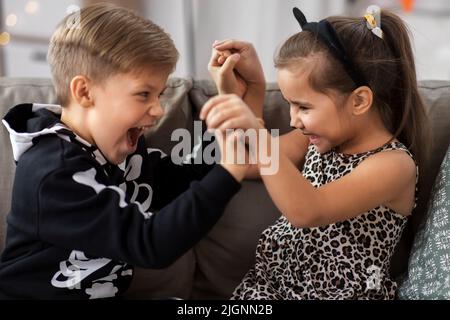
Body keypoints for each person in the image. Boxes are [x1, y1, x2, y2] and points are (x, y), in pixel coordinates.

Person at [0, 4, 248, 299]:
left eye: (160, 94)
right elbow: (150, 244)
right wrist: (230, 171)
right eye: (144, 94)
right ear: (84, 92)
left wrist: (227, 103)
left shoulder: (123, 151)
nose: (158, 109)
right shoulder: (53, 173)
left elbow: (184, 181)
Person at [201, 6, 430, 299]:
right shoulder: (310, 139)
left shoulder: (393, 165)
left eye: (303, 107)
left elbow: (308, 211)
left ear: (359, 101)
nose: (293, 119)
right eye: (289, 105)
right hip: (270, 289)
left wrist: (258, 134)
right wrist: (241, 95)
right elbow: (242, 163)